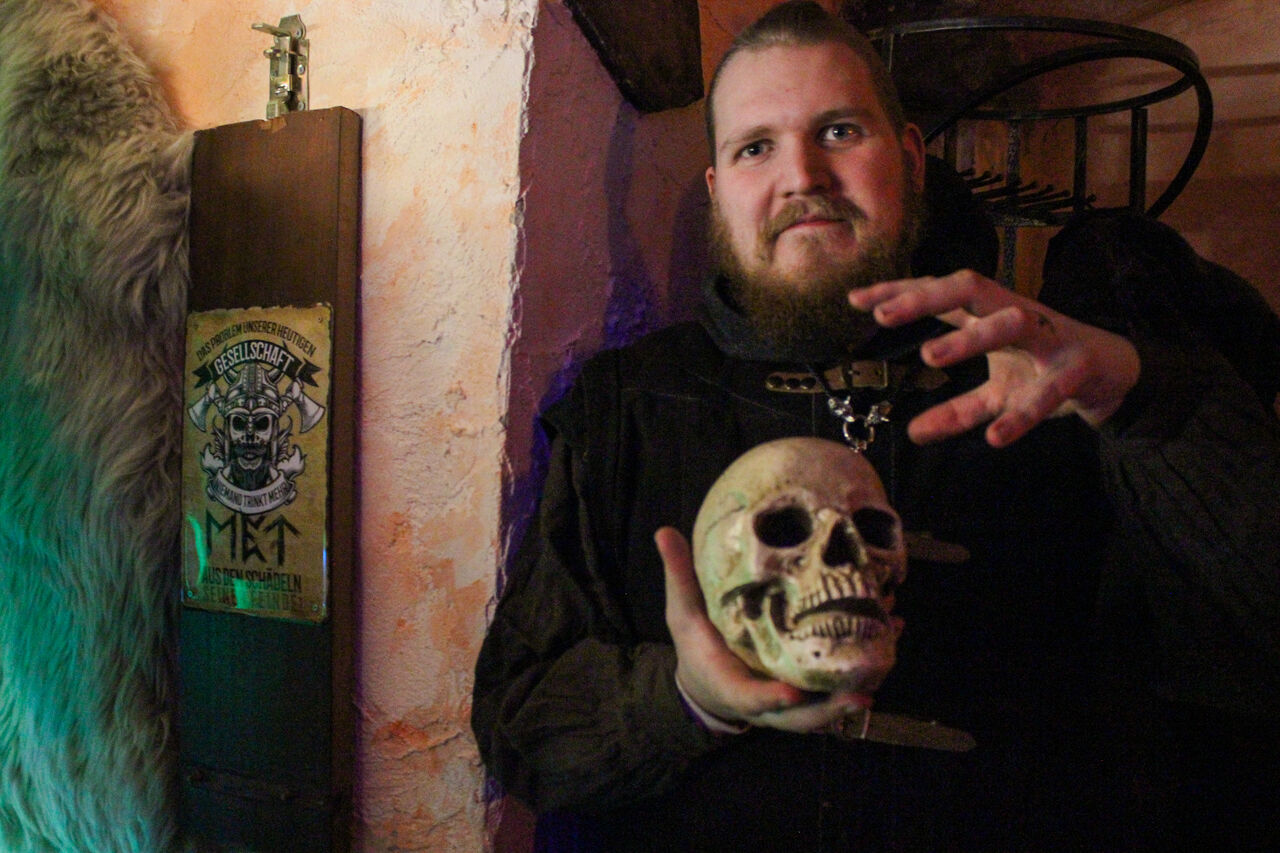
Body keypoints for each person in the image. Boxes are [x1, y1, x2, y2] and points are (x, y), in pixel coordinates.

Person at [472, 3, 1280, 850]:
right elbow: (521, 724)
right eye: (756, 147)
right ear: (717, 190)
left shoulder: (1055, 380)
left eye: (840, 131)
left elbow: (1252, 651)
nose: (803, 176)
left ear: (911, 159)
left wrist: (1147, 404)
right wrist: (682, 700)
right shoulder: (626, 408)